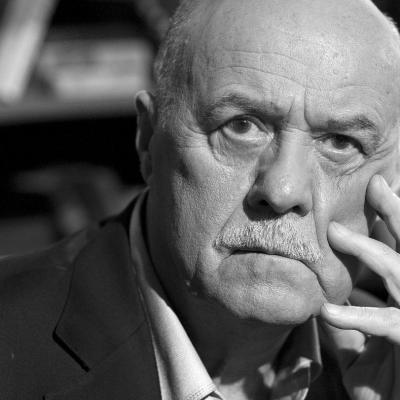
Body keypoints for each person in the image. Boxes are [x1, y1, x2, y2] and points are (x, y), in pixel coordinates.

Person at [2, 0, 400, 398]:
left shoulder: (384, 361)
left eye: (341, 142)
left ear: (394, 180)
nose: (283, 192)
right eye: (241, 126)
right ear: (148, 139)